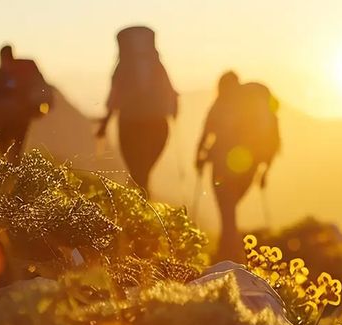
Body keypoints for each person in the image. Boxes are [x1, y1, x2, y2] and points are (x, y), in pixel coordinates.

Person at [195, 71, 281, 261]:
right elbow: (272, 140)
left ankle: (228, 257)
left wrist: (199, 156)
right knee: (230, 211)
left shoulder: (222, 102)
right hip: (249, 168)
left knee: (227, 212)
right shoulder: (252, 105)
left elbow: (207, 131)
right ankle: (230, 254)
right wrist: (264, 170)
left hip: (221, 166)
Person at [97, 26, 179, 194]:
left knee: (137, 169)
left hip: (129, 124)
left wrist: (104, 125)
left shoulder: (122, 68)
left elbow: (114, 99)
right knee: (144, 170)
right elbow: (171, 95)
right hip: (158, 125)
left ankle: (138, 204)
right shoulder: (157, 66)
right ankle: (142, 203)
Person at [0, 45, 53, 160]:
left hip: (10, 118)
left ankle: (9, 170)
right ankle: (12, 170)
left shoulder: (0, 75)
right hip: (21, 117)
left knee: (6, 148)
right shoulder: (24, 70)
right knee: (15, 149)